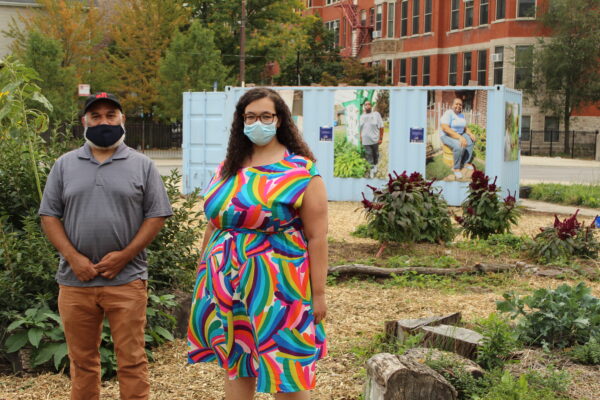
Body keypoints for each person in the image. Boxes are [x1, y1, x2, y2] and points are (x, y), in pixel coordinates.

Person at [187, 88, 328, 399]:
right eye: (250, 117)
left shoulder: (300, 170)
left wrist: (317, 294)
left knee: (286, 365)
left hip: (279, 285)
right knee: (237, 360)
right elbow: (214, 223)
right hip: (226, 280)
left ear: (279, 120)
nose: (257, 123)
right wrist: (202, 273)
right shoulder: (227, 168)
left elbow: (317, 237)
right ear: (241, 121)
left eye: (265, 116)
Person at [39, 92, 173, 400]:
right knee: (82, 363)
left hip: (126, 280)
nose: (103, 121)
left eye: (110, 115)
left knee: (132, 361)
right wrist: (73, 258)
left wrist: (124, 257)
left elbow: (156, 215)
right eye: (96, 116)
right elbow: (49, 215)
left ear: (122, 119)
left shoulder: (142, 165)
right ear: (84, 121)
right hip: (75, 281)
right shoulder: (64, 165)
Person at [440, 97, 477, 179]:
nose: (458, 106)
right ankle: (456, 168)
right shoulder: (448, 113)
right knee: (459, 145)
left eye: (460, 104)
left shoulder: (461, 115)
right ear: (452, 105)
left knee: (471, 140)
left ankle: (465, 162)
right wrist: (460, 137)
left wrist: (470, 134)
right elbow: (445, 128)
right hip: (446, 135)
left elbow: (465, 128)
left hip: (459, 134)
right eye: (456, 104)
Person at [359, 100, 384, 178]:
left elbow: (381, 127)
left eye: (369, 104)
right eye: (366, 104)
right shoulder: (362, 116)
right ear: (364, 107)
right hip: (366, 140)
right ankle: (372, 170)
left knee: (375, 154)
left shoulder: (376, 114)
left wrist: (381, 138)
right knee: (369, 156)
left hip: (375, 140)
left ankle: (376, 165)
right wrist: (361, 137)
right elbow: (361, 128)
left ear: (371, 106)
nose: (367, 105)